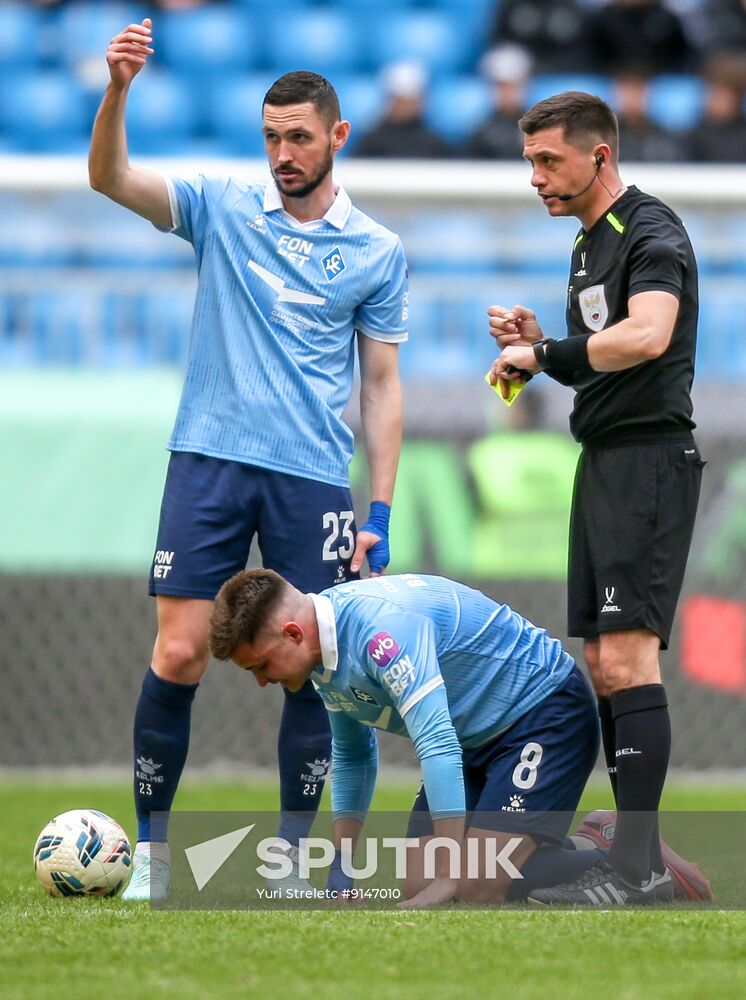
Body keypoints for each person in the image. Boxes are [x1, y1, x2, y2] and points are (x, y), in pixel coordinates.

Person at [88, 19, 408, 900]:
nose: (282, 154)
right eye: (270, 137)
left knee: (314, 665)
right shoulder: (225, 207)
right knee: (182, 652)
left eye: (298, 137)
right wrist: (117, 91)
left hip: (311, 478)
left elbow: (381, 387)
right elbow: (108, 177)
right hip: (209, 460)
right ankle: (153, 861)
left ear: (337, 136)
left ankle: (293, 865)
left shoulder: (376, 251)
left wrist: (377, 514)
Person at [488, 91, 703, 905]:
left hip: (648, 461)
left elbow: (649, 334)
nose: (535, 177)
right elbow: (604, 348)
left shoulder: (652, 230)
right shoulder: (589, 244)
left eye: (549, 161)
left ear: (599, 157)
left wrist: (546, 350)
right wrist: (542, 347)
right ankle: (634, 861)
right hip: (608, 460)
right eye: (529, 162)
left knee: (627, 659)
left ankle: (637, 868)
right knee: (603, 664)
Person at [209, 568, 603, 907]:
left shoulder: (381, 632)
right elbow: (352, 755)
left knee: (472, 883)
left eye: (261, 665)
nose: (262, 681)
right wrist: (341, 870)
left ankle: (631, 859)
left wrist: (450, 876)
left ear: (293, 633)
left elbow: (437, 741)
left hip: (544, 712)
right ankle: (577, 842)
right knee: (418, 881)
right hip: (473, 739)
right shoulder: (320, 649)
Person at [353, 61, 452, 160]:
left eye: (410, 100)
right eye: (399, 99)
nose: (405, 106)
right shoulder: (372, 141)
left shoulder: (433, 143)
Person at [463, 45, 532, 161]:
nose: (507, 92)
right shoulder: (480, 134)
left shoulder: (540, 130)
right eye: (501, 86)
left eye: (513, 85)